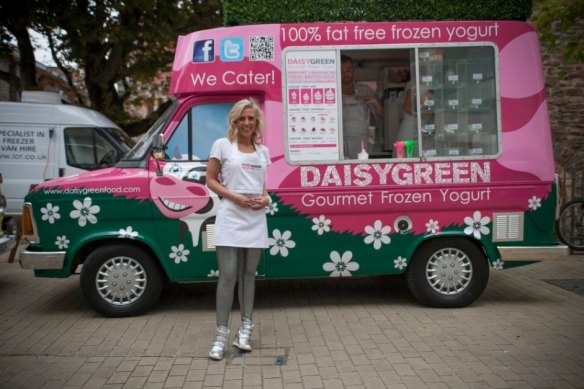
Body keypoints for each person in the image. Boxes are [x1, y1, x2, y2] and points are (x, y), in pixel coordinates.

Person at [205, 98, 272, 361]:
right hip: (231, 215)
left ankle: (245, 329)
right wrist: (235, 197)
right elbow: (210, 180)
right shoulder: (222, 146)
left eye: (251, 118)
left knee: (248, 275)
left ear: (256, 122)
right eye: (242, 118)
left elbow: (264, 188)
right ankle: (220, 334)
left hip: (255, 217)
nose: (247, 123)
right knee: (228, 275)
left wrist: (267, 200)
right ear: (234, 120)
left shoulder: (262, 151)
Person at [341, 54, 382, 159]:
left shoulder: (365, 90)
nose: (345, 73)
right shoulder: (332, 93)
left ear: (353, 71)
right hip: (340, 137)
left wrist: (375, 101)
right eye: (342, 70)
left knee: (360, 167)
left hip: (361, 138)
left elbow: (381, 115)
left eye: (348, 69)